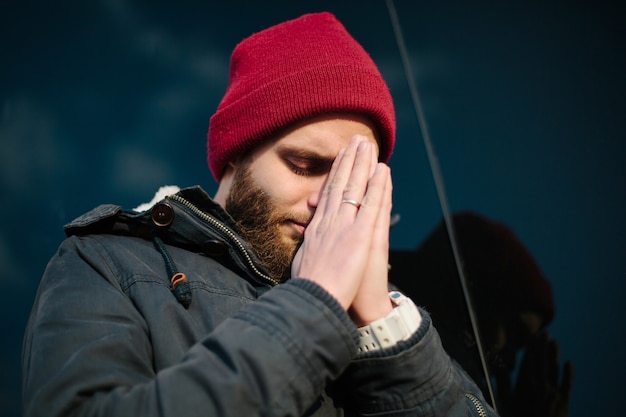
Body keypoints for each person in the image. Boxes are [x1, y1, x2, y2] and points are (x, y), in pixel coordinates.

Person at [22, 12, 498, 417]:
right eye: (305, 166)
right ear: (236, 156)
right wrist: (316, 304)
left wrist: (377, 322)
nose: (328, 204)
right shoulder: (105, 263)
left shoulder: (387, 319)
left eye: (353, 184)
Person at [389, 212, 574, 417]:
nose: (510, 361)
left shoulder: (465, 387)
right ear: (477, 293)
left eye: (521, 346)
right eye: (514, 331)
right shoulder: (396, 346)